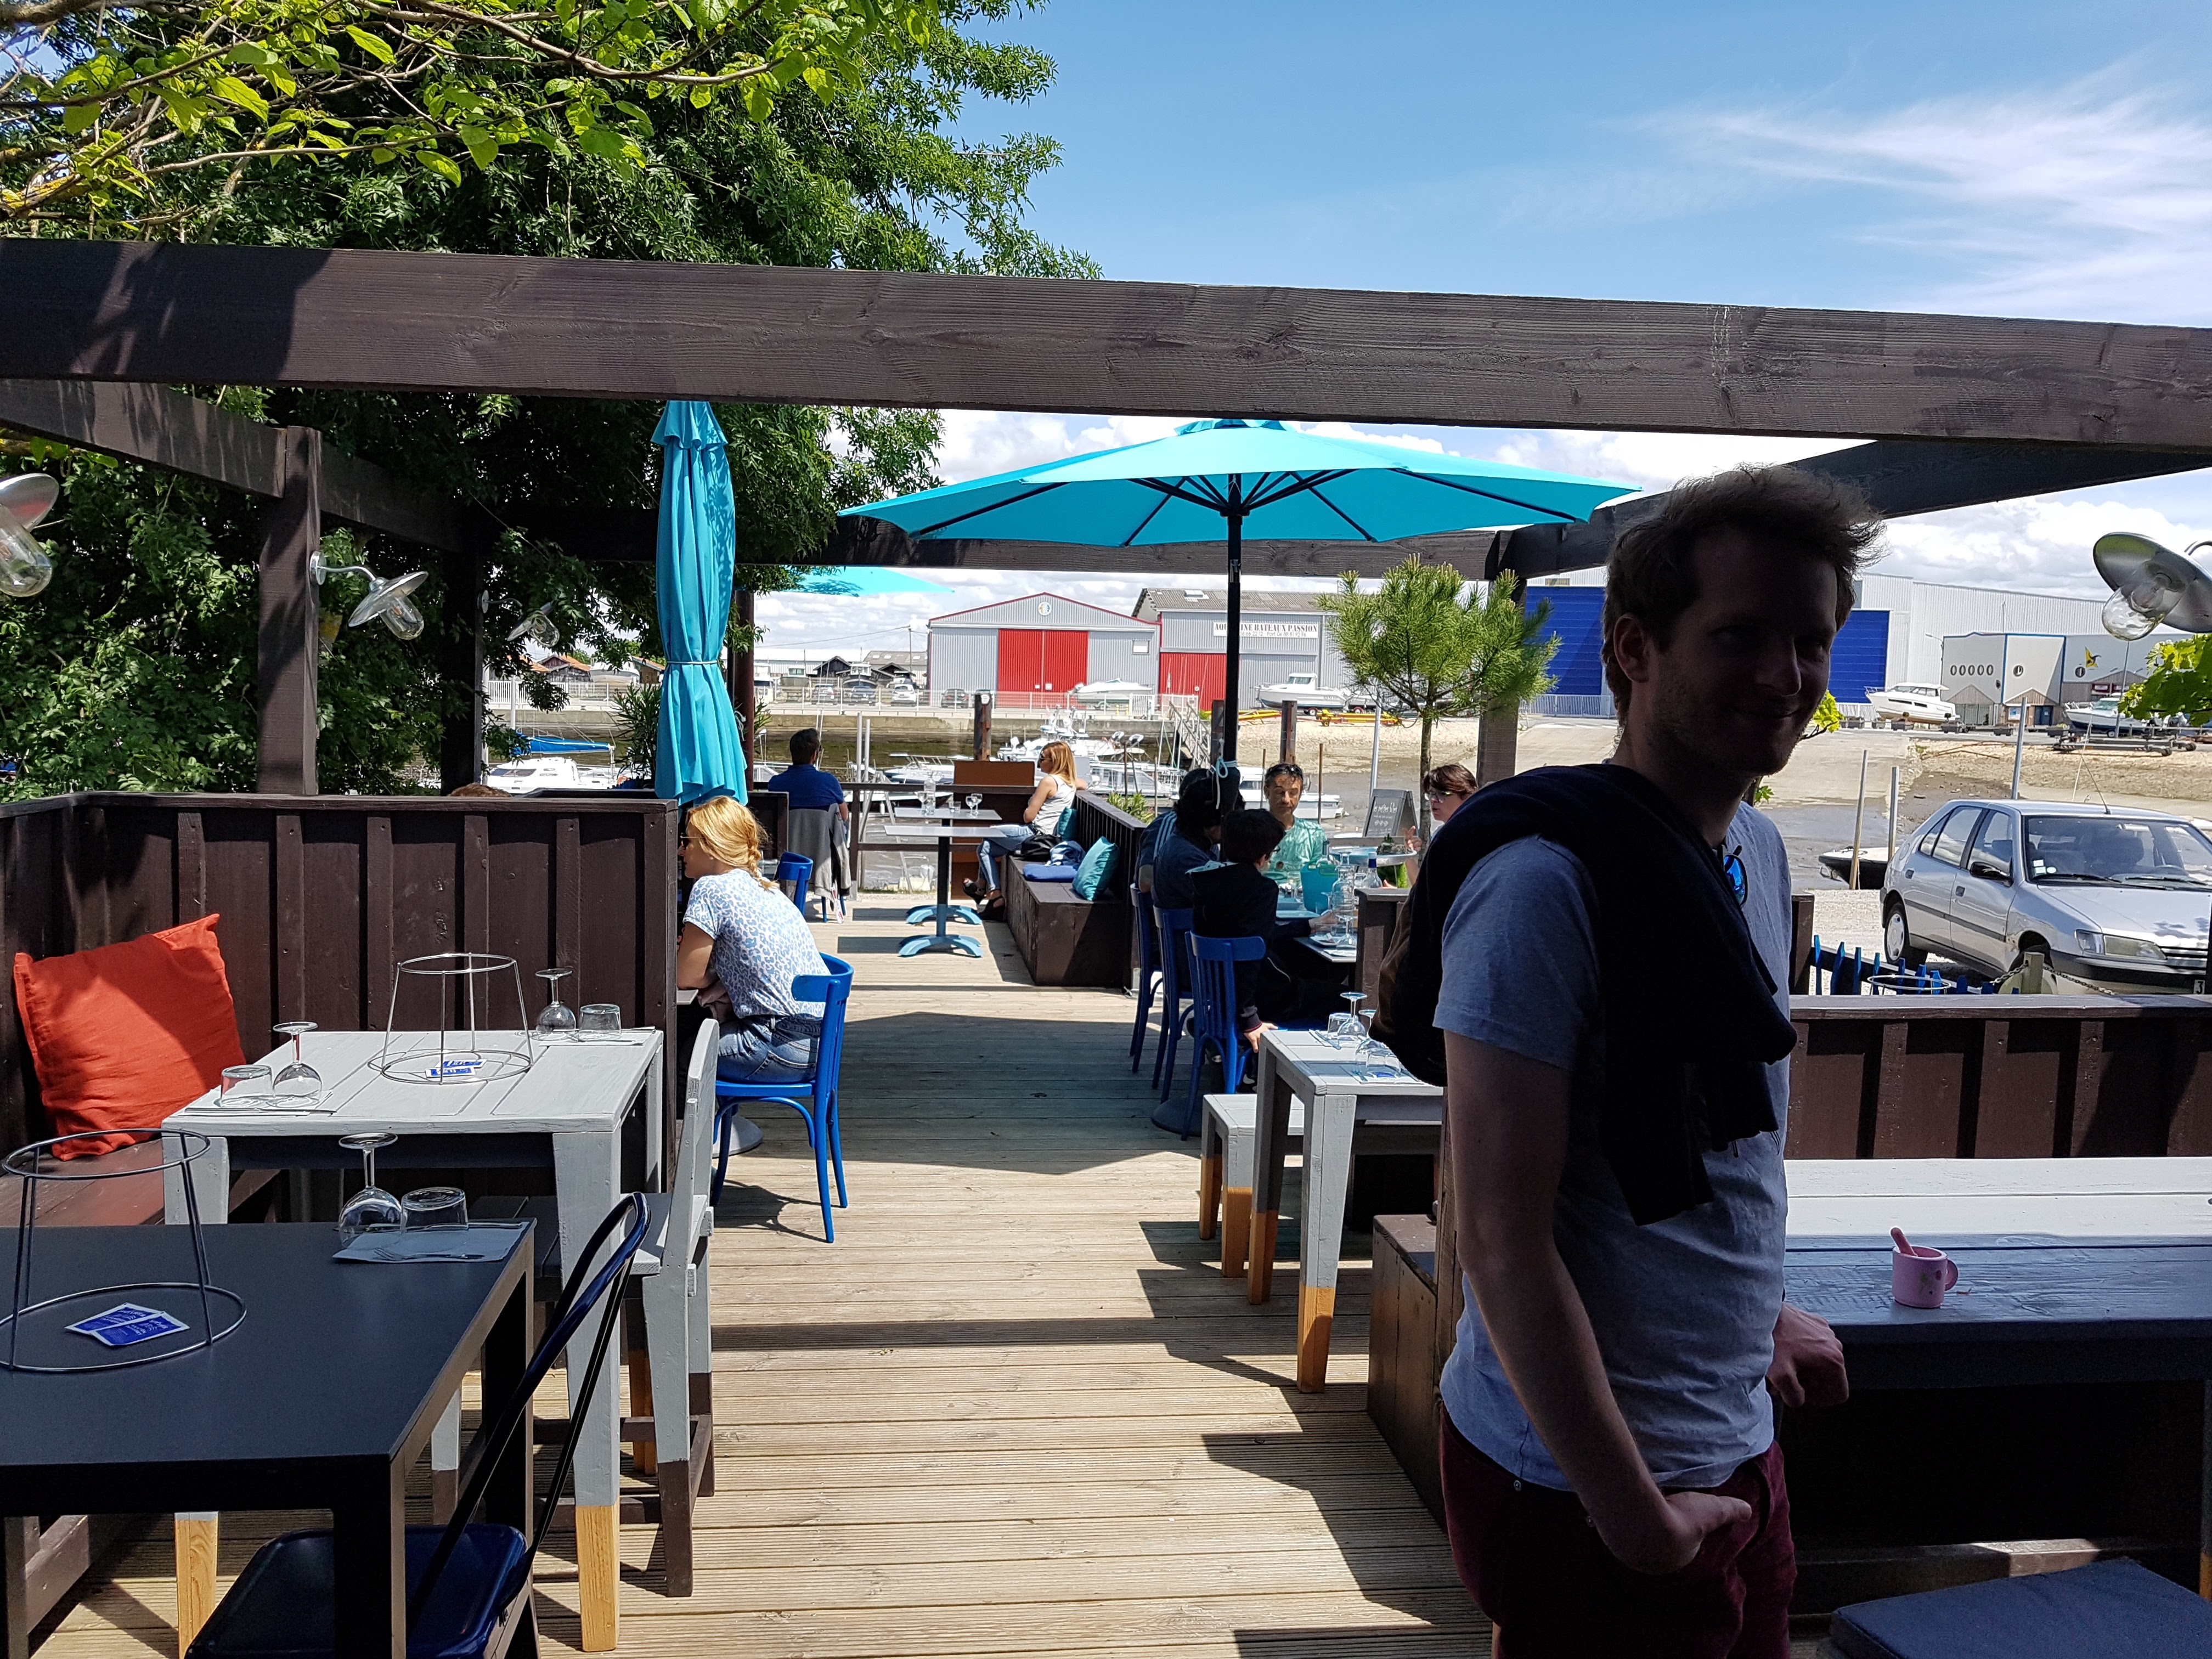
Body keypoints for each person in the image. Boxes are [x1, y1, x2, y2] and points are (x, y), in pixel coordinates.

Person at [1421, 466, 1859, 1657]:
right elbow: (1499, 1237)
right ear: (1633, 648)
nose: (1784, 675)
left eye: (1809, 641)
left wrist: (1758, 1313)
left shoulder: (1756, 851)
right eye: (1739, 636)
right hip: (1581, 1485)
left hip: (1734, 1440)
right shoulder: (1539, 888)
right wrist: (1638, 1523)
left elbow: (1722, 1156)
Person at [674, 795, 830, 1084]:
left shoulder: (710, 889)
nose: (681, 850)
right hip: (820, 1046)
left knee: (681, 1058)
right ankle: (727, 1115)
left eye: (688, 841)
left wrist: (711, 977)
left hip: (777, 1043)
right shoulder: (766, 888)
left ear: (712, 846)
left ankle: (702, 1117)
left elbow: (685, 977)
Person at [1192, 808, 1315, 1043]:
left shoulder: (1204, 880)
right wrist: (1250, 1019)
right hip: (1254, 1000)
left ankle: (1222, 1037)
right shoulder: (1262, 890)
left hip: (1218, 992)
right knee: (1342, 998)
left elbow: (1247, 939)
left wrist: (1305, 927)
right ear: (1263, 857)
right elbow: (1250, 955)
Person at [968, 740, 1084, 900]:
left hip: (1033, 834)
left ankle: (985, 888)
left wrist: (1030, 804)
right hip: (1049, 839)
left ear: (1055, 761)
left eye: (1042, 758)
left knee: (988, 832)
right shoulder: (1070, 782)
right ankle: (992, 892)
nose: (1039, 762)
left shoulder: (1049, 781)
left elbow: (1028, 817)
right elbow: (1084, 784)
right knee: (985, 848)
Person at [1152, 767, 1237, 911]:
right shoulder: (1187, 858)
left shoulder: (1183, 844)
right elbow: (1227, 902)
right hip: (1188, 925)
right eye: (1230, 822)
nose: (1234, 828)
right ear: (1211, 823)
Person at [1259, 762, 1331, 882]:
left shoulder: (1314, 834)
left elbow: (1320, 875)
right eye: (1279, 792)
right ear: (1267, 792)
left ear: (1300, 793)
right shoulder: (1253, 831)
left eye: (1293, 793)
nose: (1286, 800)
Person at [767, 729, 848, 823]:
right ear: (814, 755)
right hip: (821, 833)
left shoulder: (775, 784)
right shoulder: (830, 782)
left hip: (788, 833)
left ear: (792, 753)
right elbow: (844, 816)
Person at [1408, 763, 1476, 853]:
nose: (1433, 800)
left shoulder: (1474, 835)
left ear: (1467, 796)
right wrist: (1410, 853)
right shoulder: (1441, 833)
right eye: (1432, 794)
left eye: (1443, 794)